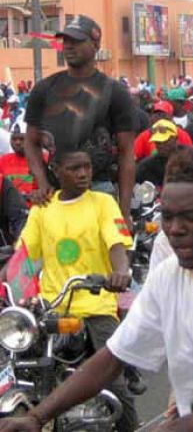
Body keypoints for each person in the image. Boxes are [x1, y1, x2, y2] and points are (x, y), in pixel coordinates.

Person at [0, 148, 193, 432]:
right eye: (168, 217)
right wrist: (37, 417)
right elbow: (113, 357)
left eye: (192, 217)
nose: (176, 229)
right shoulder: (168, 276)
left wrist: (189, 424)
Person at [3, 149, 137, 431]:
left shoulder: (103, 202)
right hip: (52, 309)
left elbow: (117, 245)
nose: (84, 174)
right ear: (56, 169)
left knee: (114, 383)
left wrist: (120, 273)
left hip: (96, 305)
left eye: (87, 167)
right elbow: (24, 256)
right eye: (75, 168)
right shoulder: (43, 208)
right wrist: (4, 280)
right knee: (19, 367)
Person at [23, 15, 135, 223]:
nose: (68, 46)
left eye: (76, 41)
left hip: (100, 188)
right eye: (65, 41)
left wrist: (125, 210)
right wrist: (42, 182)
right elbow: (31, 141)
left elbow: (126, 152)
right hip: (56, 191)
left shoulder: (115, 92)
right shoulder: (44, 89)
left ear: (95, 44)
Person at [0, 124, 44, 203]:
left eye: (22, 139)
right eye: (14, 139)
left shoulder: (44, 159)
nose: (17, 142)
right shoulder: (3, 160)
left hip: (36, 210)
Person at [135, 120, 179, 188]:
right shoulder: (146, 166)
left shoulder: (189, 161)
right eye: (158, 142)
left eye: (165, 141)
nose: (161, 145)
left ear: (175, 139)